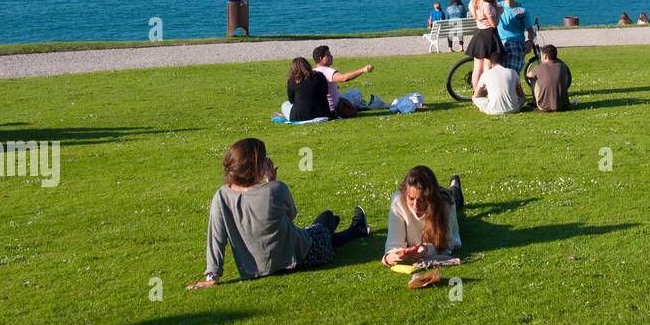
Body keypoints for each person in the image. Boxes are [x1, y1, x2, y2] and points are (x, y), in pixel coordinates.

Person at [188, 138, 369, 289]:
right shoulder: (275, 189)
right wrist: (271, 181)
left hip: (255, 269)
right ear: (257, 165)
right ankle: (356, 229)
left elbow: (216, 238)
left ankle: (355, 228)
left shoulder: (221, 195)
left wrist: (212, 277)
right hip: (298, 257)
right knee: (325, 220)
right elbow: (291, 215)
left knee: (318, 228)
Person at [382, 166, 463, 266]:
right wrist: (390, 257)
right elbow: (393, 245)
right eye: (411, 199)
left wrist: (426, 250)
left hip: (447, 199)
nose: (415, 206)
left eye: (421, 200)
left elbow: (447, 245)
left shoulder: (445, 205)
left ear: (431, 198)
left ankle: (455, 186)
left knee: (454, 198)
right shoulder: (398, 201)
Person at [312, 45, 378, 117]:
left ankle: (358, 105)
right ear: (321, 58)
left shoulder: (312, 72)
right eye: (328, 55)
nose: (331, 56)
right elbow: (344, 78)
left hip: (321, 108)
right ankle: (360, 105)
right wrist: (363, 70)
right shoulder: (327, 70)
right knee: (356, 93)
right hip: (334, 107)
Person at [465, 0, 503, 90]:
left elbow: (475, 17)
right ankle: (486, 90)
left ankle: (476, 91)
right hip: (489, 35)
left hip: (479, 33)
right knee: (487, 66)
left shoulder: (473, 2)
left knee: (477, 68)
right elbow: (494, 24)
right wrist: (499, 13)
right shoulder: (487, 6)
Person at [497, 0, 536, 73]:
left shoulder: (522, 11)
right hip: (499, 41)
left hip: (515, 42)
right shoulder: (497, 6)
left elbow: (530, 29)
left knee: (512, 71)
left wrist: (530, 42)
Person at [284, 57, 333, 122]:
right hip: (322, 113)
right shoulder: (319, 75)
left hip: (299, 116)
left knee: (285, 104)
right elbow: (325, 92)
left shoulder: (292, 81)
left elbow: (291, 101)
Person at [526, 43, 571, 111]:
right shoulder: (563, 66)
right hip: (564, 105)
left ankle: (536, 101)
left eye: (541, 56)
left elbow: (528, 75)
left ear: (545, 56)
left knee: (533, 79)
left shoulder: (539, 68)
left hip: (544, 106)